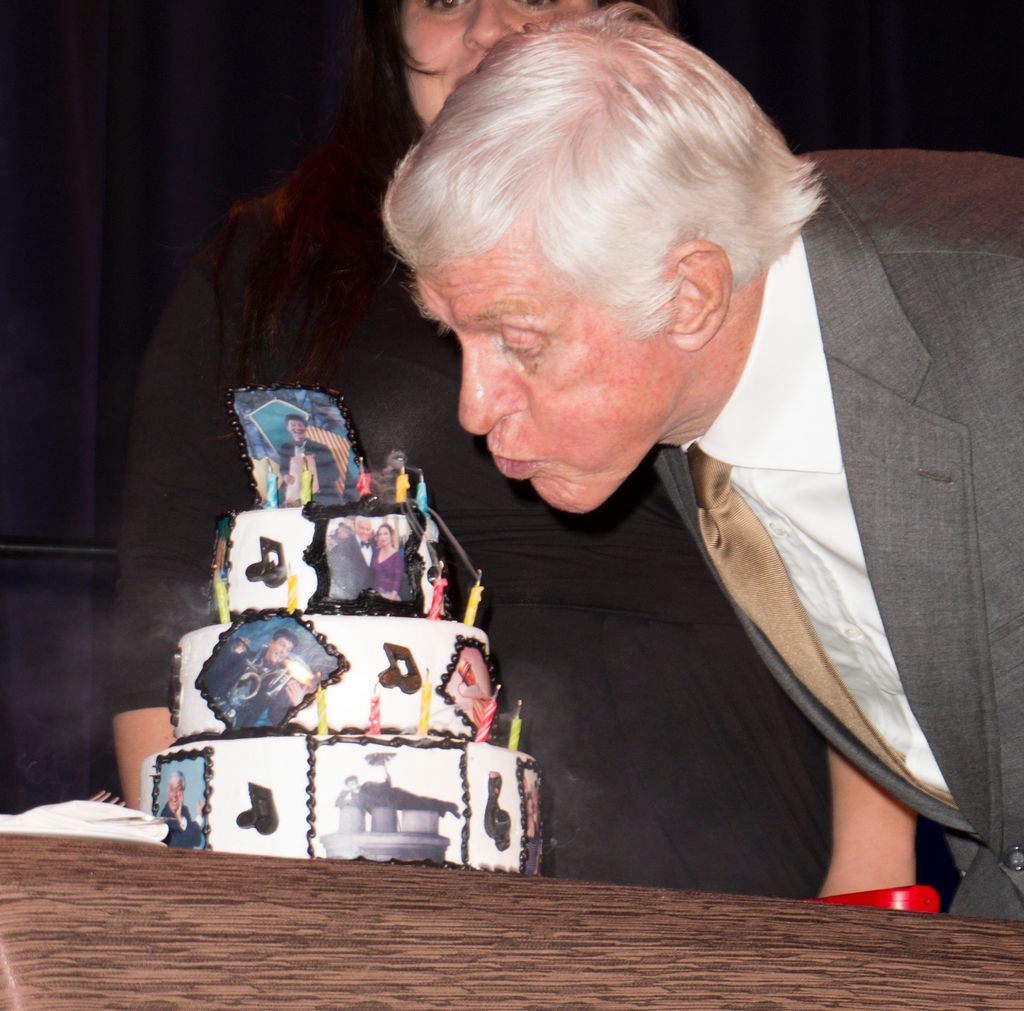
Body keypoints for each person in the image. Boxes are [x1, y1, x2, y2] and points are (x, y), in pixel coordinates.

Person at [111, 0, 832, 896]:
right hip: (368, 866)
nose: (495, 24)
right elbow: (160, 625)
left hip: (736, 826)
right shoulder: (271, 267)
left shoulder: (708, 247)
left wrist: (872, 866)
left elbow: (835, 549)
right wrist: (192, 896)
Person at [383, 5, 1024, 917]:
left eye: (519, 341)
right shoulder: (691, 379)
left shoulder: (1002, 306)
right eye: (459, 340)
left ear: (691, 293)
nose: (475, 406)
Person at [278, 414, 341, 504]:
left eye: (300, 425)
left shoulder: (320, 448)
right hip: (292, 491)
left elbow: (334, 474)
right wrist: (285, 476)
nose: (297, 428)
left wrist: (313, 480)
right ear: (287, 428)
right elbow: (283, 468)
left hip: (319, 493)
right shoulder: (285, 448)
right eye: (292, 425)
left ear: (306, 427)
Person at [161, 770, 204, 849]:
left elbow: (197, 840)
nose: (175, 795)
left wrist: (199, 815)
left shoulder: (184, 810)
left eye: (179, 790)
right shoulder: (165, 817)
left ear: (182, 792)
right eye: (172, 789)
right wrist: (181, 820)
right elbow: (181, 844)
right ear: (168, 791)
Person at [370, 522, 404, 600]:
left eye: (385, 533)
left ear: (391, 536)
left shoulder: (398, 555)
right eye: (380, 534)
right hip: (375, 594)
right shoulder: (376, 552)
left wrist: (393, 595)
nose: (382, 537)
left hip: (390, 595)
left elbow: (398, 577)